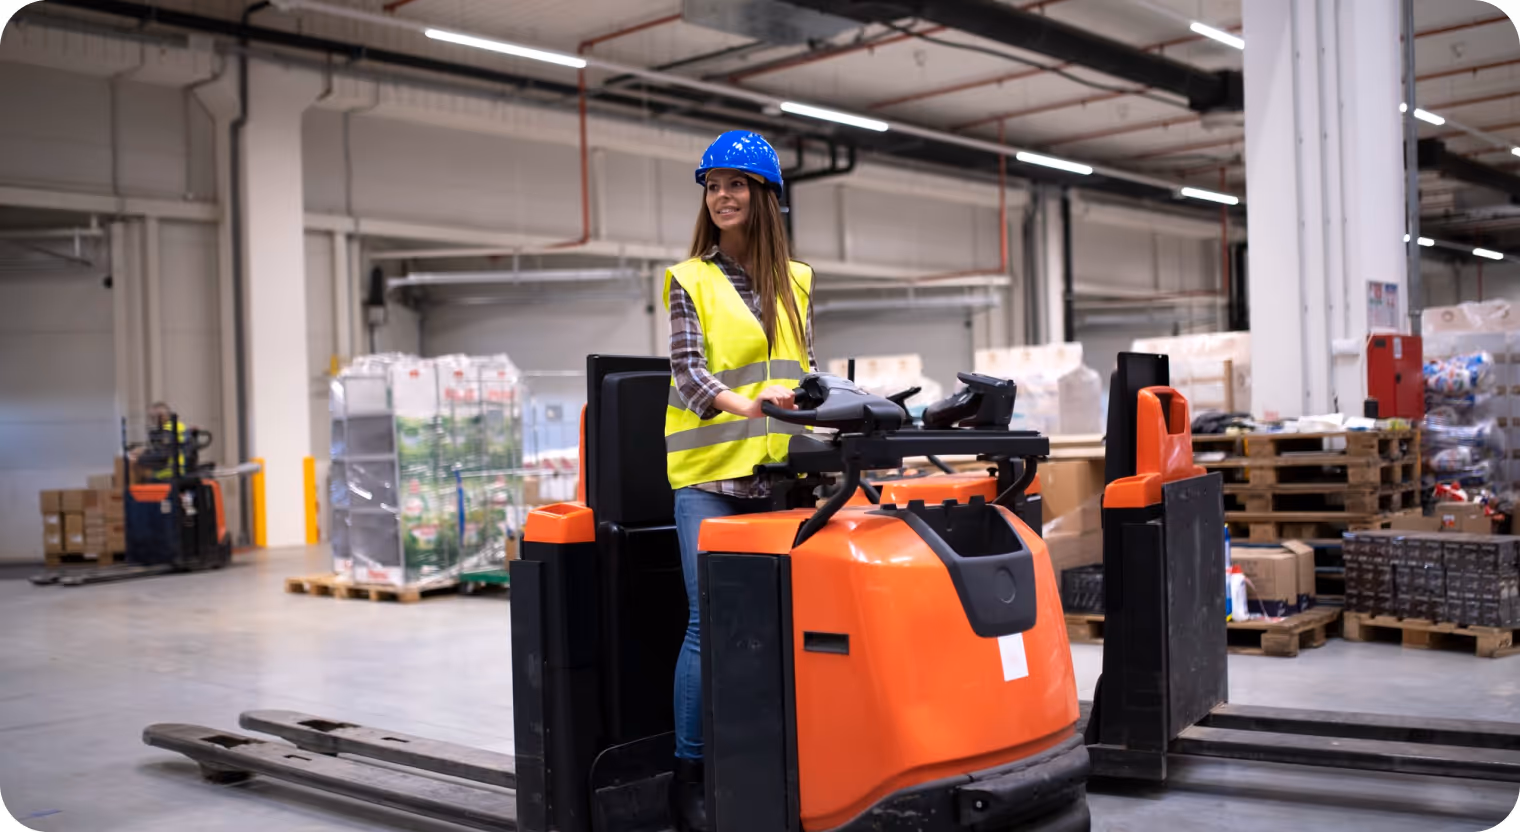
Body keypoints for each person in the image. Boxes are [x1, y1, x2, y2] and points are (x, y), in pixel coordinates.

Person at [662, 129, 816, 832]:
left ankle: (769, 757)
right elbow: (689, 374)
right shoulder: (688, 279)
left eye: (736, 185)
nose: (722, 196)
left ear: (765, 197)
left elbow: (804, 371)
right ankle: (689, 779)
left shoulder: (798, 280)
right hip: (709, 481)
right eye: (713, 185)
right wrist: (749, 405)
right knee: (708, 625)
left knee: (778, 622)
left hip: (779, 480)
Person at [131, 401, 189, 481]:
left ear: (161, 417)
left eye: (153, 418)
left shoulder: (168, 431)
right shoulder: (178, 426)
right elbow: (163, 449)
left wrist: (140, 459)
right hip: (178, 471)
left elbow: (162, 456)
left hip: (170, 474)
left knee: (141, 482)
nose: (152, 421)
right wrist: (145, 451)